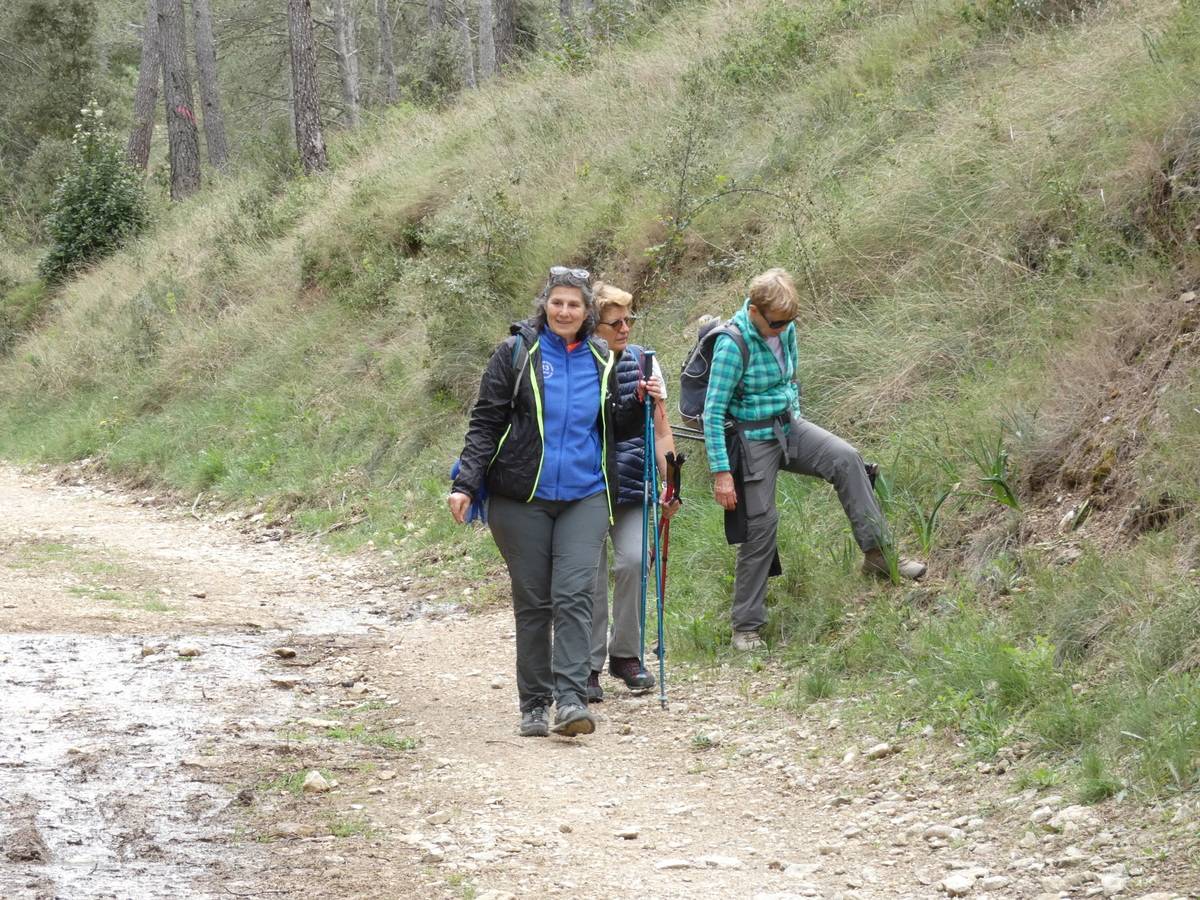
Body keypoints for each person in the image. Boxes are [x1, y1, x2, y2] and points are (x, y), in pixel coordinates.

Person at [449, 266, 665, 737]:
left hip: (585, 494)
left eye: (574, 304)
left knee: (575, 596)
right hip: (520, 496)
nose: (565, 311)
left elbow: (616, 429)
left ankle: (570, 701)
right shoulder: (516, 353)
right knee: (534, 602)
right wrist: (466, 483)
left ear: (588, 311)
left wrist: (641, 402)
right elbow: (485, 422)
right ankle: (533, 703)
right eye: (557, 302)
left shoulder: (600, 358)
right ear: (545, 305)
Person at [704, 268, 927, 652]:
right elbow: (712, 412)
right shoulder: (731, 344)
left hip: (789, 426)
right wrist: (722, 472)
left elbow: (789, 380)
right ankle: (746, 626)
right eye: (776, 322)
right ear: (755, 311)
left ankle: (878, 556)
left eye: (790, 321)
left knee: (847, 459)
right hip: (752, 437)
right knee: (761, 524)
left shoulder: (784, 327)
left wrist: (793, 415)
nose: (783, 329)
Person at [587, 282, 679, 703]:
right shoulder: (582, 363)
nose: (625, 328)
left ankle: (625, 655)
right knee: (588, 574)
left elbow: (661, 430)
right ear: (596, 326)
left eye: (630, 319)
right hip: (587, 485)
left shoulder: (645, 363)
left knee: (634, 562)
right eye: (616, 322)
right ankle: (586, 665)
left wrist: (670, 484)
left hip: (634, 484)